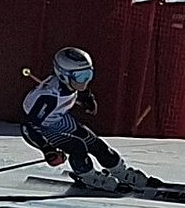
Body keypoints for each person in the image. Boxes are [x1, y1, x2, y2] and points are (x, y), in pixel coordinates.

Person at [20, 46, 145, 189]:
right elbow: (28, 126)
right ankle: (87, 176)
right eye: (80, 77)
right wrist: (47, 149)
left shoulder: (70, 84)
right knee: (77, 146)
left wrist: (87, 98)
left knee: (95, 143)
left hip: (59, 118)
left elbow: (82, 89)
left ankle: (120, 171)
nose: (85, 81)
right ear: (63, 75)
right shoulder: (49, 97)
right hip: (42, 129)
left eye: (88, 75)